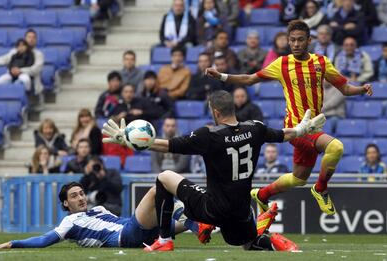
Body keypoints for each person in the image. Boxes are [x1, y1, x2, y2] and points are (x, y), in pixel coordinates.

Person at [102, 90, 326, 251]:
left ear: (216, 112)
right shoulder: (255, 129)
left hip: (212, 209)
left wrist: (132, 142)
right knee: (248, 243)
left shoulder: (208, 136)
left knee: (164, 178)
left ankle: (164, 240)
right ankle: (275, 243)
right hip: (241, 211)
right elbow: (282, 135)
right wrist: (301, 129)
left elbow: (168, 145)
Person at [205, 20, 373, 217]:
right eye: (292, 40)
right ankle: (320, 189)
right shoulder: (282, 64)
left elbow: (344, 88)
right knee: (336, 147)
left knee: (298, 178)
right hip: (295, 128)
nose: (295, 44)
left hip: (313, 129)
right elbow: (250, 79)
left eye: (300, 40)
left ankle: (262, 194)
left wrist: (361, 89)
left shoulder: (321, 62)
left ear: (309, 40)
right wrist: (222, 77)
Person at [0, 182, 215, 249]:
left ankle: (204, 224)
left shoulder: (98, 209)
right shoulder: (69, 222)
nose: (81, 198)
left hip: (138, 232)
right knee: (159, 189)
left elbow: (122, 221)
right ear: (66, 203)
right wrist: (13, 243)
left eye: (82, 193)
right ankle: (198, 226)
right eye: (75, 196)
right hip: (126, 238)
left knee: (178, 216)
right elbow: (44, 240)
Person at [0, 29, 44, 94]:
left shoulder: (38, 54)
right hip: (12, 76)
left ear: (36, 40)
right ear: (25, 38)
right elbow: (0, 60)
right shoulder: (15, 52)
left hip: (30, 81)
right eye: (29, 37)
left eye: (34, 37)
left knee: (21, 82)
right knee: (0, 82)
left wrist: (20, 70)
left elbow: (36, 69)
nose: (31, 40)